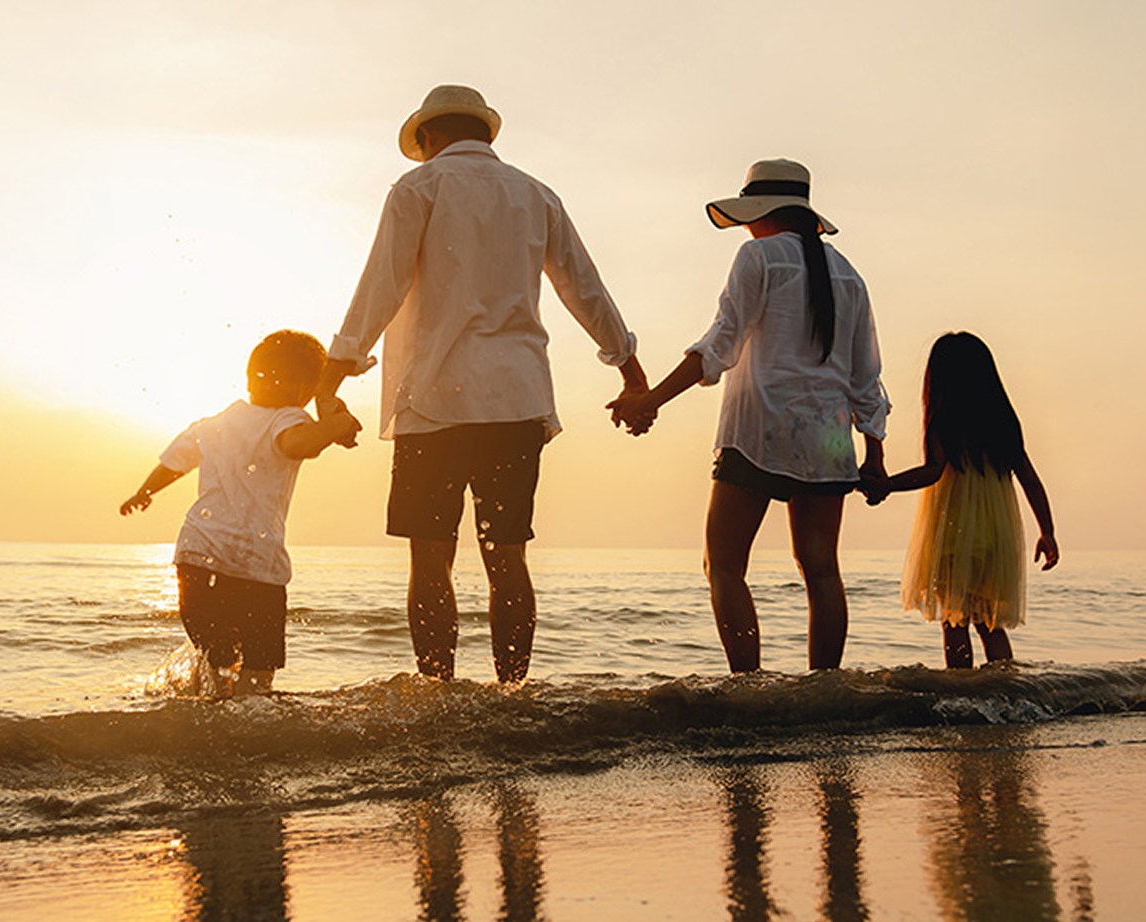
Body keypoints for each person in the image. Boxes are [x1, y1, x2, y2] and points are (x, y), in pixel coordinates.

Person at [314, 84, 647, 684]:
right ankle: (511, 692)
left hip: (434, 401)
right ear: (485, 134)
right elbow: (583, 287)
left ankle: (438, 691)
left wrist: (333, 376)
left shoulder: (418, 187)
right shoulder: (535, 194)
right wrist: (629, 370)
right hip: (515, 401)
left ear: (427, 137)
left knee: (430, 556)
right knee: (508, 557)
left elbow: (380, 287)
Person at [610, 159, 890, 673]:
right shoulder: (849, 273)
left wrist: (650, 400)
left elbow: (719, 344)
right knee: (822, 571)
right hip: (828, 439)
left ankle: (748, 685)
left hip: (759, 430)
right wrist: (874, 454)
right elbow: (866, 377)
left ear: (761, 213)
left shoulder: (759, 255)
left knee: (724, 566)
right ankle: (824, 689)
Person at [120, 330, 362, 696]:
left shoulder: (213, 423)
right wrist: (335, 426)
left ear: (250, 376)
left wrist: (144, 491)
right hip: (254, 565)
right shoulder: (287, 418)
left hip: (196, 558)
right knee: (256, 676)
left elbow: (174, 462)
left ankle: (208, 726)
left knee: (217, 665)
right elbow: (299, 445)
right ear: (308, 389)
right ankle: (245, 735)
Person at [866, 331, 1059, 669]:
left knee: (955, 622)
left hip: (956, 536)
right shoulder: (1003, 422)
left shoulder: (945, 419)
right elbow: (1030, 479)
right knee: (990, 623)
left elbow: (932, 471)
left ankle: (960, 691)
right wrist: (1047, 532)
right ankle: (1004, 689)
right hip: (997, 540)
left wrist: (886, 485)